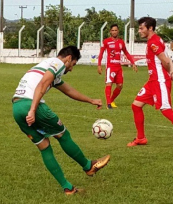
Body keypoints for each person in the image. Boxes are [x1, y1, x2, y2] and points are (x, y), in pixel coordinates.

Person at [12, 46, 111, 195]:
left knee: (44, 146)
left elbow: (69, 91)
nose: (71, 69)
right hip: (31, 105)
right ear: (69, 58)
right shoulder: (57, 63)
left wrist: (91, 100)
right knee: (63, 135)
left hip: (17, 108)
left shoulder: (46, 66)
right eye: (74, 64)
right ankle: (88, 166)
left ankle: (67, 188)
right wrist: (33, 109)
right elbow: (42, 84)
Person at [127, 17, 173, 150]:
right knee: (136, 105)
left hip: (159, 81)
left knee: (166, 110)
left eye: (142, 28)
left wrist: (170, 74)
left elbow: (165, 61)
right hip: (152, 81)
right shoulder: (156, 40)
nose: (139, 31)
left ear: (150, 28)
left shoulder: (153, 42)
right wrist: (172, 72)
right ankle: (141, 138)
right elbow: (167, 58)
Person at [97, 24, 138, 109]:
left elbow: (126, 53)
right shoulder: (106, 41)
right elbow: (101, 53)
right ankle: (108, 104)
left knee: (120, 86)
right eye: (113, 30)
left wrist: (133, 63)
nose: (114, 32)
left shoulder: (121, 42)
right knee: (109, 84)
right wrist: (99, 65)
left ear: (118, 31)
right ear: (110, 32)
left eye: (116, 30)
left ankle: (111, 100)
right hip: (110, 67)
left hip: (118, 67)